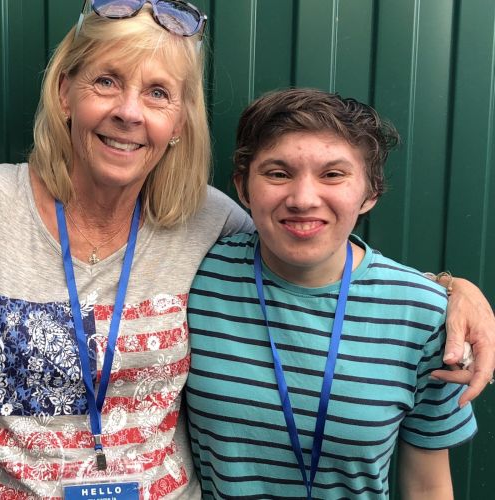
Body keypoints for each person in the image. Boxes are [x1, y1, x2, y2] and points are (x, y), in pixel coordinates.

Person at [0, 2, 493, 499]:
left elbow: (314, 247)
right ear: (66, 93)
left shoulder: (206, 218)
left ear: (181, 119)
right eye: (107, 82)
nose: (128, 113)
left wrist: (449, 290)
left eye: (158, 93)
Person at [186, 88, 478, 499]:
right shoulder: (193, 278)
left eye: (333, 174)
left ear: (370, 192)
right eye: (278, 173)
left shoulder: (426, 316)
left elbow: (428, 486)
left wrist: (454, 288)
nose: (303, 199)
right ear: (244, 187)